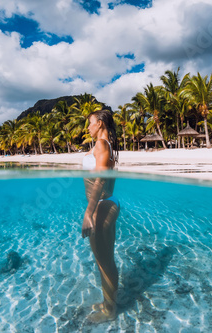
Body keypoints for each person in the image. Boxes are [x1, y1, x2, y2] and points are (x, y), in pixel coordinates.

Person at [82, 110, 120, 323]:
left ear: (100, 123)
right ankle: (109, 302)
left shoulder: (102, 145)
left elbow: (100, 180)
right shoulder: (104, 146)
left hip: (102, 206)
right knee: (106, 260)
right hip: (106, 204)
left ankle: (109, 311)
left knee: (103, 261)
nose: (88, 127)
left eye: (90, 123)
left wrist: (89, 212)